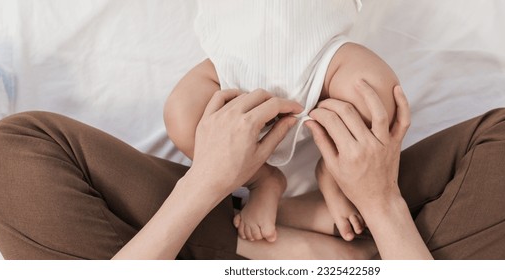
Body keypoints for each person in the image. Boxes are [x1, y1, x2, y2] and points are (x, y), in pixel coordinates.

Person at [0, 79, 505, 259]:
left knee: (7, 154)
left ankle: (259, 227)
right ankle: (335, 239)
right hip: (389, 245)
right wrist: (380, 202)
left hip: (187, 244)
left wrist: (206, 183)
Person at [165, 0, 395, 242]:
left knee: (375, 94)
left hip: (324, 61)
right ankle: (262, 179)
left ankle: (333, 173)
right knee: (182, 115)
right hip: (229, 71)